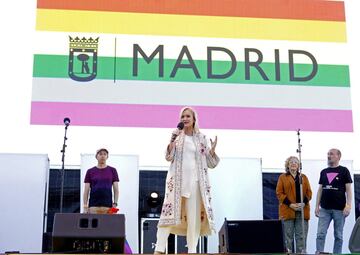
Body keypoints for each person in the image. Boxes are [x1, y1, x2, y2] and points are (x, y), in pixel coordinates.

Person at [154, 107, 220, 254]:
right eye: (182, 116)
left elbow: (211, 164)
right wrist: (171, 141)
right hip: (177, 183)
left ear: (194, 118)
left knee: (194, 218)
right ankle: (159, 249)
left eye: (187, 116)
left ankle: (191, 250)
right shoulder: (177, 136)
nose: (185, 118)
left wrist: (213, 151)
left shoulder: (201, 138)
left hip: (196, 183)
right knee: (167, 214)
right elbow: (168, 157)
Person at [315, 148, 353, 254]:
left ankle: (337, 254)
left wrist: (348, 206)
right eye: (328, 154)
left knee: (338, 235)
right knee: (320, 234)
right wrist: (316, 206)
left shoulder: (344, 170)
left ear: (338, 156)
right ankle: (319, 252)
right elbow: (320, 190)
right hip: (324, 209)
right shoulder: (324, 172)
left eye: (331, 154)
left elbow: (349, 190)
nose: (329, 156)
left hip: (340, 209)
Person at [276, 156, 312, 253]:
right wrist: (290, 204)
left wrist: (303, 203)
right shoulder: (282, 177)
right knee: (287, 237)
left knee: (301, 237)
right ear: (287, 164)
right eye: (291, 162)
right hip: (288, 211)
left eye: (296, 162)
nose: (293, 163)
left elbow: (309, 193)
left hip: (302, 211)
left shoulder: (303, 177)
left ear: (299, 165)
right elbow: (279, 193)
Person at [83, 148, 119, 214]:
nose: (102, 156)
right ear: (96, 157)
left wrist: (115, 204)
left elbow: (116, 189)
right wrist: (85, 206)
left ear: (107, 157)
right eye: (100, 154)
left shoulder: (113, 170)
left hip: (108, 206)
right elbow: (86, 190)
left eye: (105, 154)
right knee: (93, 224)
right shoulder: (90, 171)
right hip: (93, 206)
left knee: (107, 224)